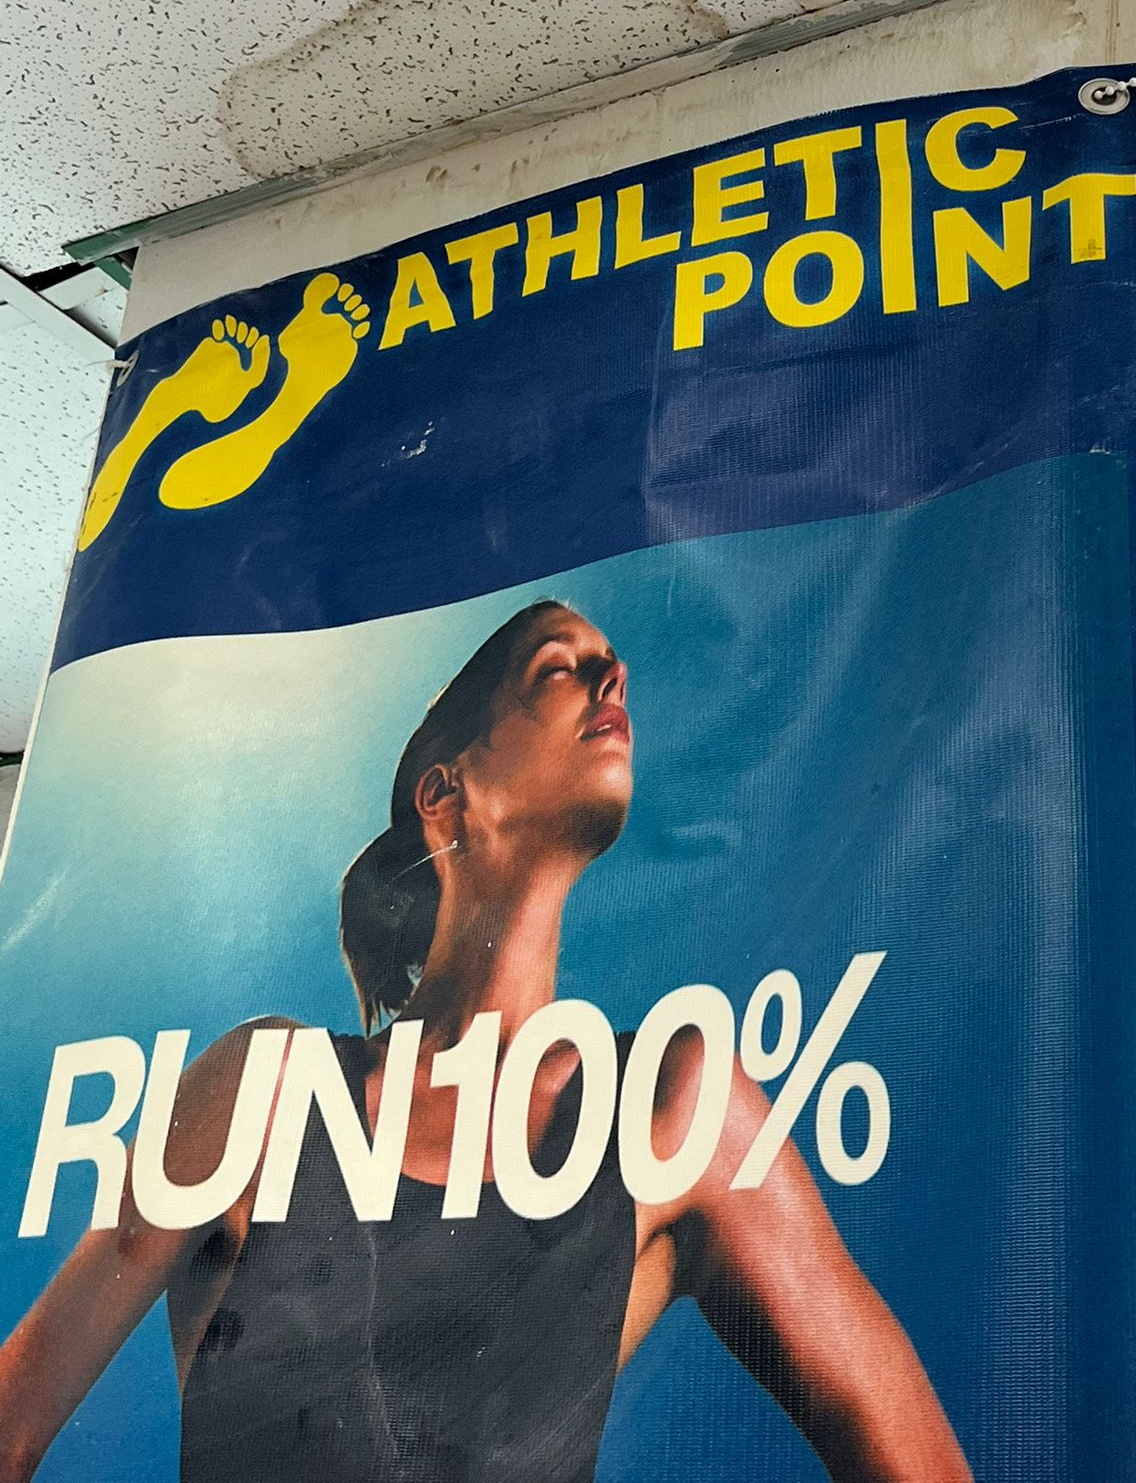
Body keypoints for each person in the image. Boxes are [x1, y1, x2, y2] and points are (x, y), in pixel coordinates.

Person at [0, 600, 971, 1482]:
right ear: (446, 790)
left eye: (612, 663)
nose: (612, 678)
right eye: (558, 666)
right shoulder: (265, 1085)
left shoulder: (674, 1101)